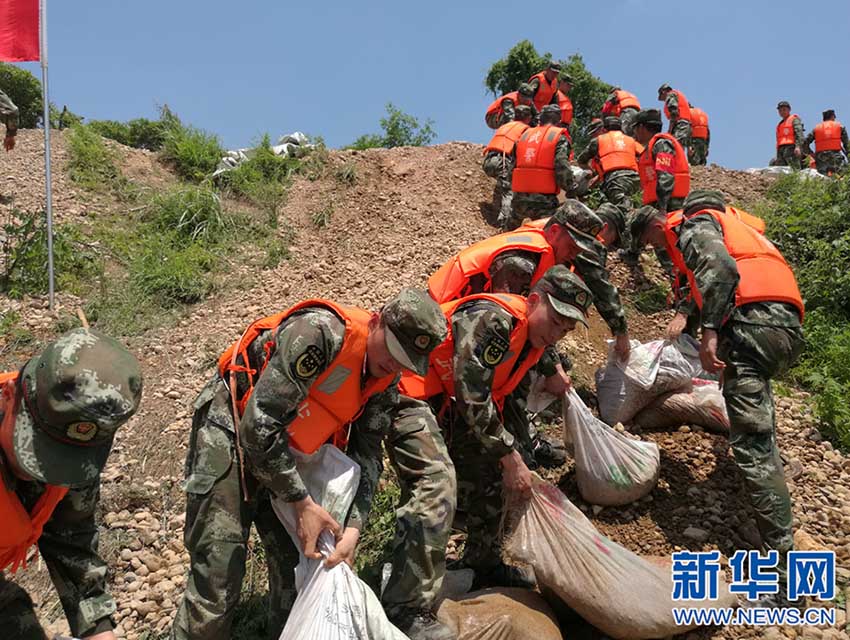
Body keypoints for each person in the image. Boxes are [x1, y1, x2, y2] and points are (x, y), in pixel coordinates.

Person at [172, 289, 447, 640]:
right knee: (217, 578)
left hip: (286, 451)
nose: (394, 365)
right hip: (230, 431)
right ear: (376, 321)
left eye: (406, 361)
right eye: (393, 351)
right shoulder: (319, 335)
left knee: (300, 573)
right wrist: (302, 503)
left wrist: (354, 527)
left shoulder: (384, 380)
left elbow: (368, 452)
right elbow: (257, 428)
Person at [383, 266, 593, 639]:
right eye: (557, 319)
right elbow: (472, 393)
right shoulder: (494, 321)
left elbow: (506, 398)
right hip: (408, 393)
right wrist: (510, 455)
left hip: (448, 404)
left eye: (567, 328)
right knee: (437, 484)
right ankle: (406, 607)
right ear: (533, 301)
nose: (559, 331)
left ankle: (483, 562)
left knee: (494, 472)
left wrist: (517, 456)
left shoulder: (536, 340)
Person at [629, 190, 805, 606]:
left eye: (654, 244)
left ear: (657, 226)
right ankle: (772, 489)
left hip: (749, 328)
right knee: (756, 423)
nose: (659, 252)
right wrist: (687, 313)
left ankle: (784, 578)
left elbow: (721, 271)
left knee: (753, 448)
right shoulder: (735, 224)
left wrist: (709, 332)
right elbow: (717, 273)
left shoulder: (691, 224)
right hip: (782, 326)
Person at [0, 328, 143, 640]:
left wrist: (98, 629)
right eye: (36, 451)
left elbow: (72, 541)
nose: (45, 474)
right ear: (10, 394)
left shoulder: (76, 458)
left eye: (63, 460)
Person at [507, 105, 574, 229]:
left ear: (540, 119)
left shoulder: (524, 136)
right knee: (547, 235)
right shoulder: (559, 137)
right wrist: (570, 187)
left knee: (508, 233)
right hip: (544, 200)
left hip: (519, 198)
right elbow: (561, 164)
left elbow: (512, 166)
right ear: (559, 120)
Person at [576, 115, 641, 216]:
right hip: (636, 179)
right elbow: (646, 156)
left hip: (615, 180)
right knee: (633, 205)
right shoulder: (631, 140)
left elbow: (581, 160)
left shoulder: (598, 140)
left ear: (604, 129)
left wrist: (592, 173)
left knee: (623, 212)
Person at [482, 105, 533, 228]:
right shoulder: (526, 130)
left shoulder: (505, 126)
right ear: (528, 118)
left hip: (488, 160)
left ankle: (499, 208)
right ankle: (503, 223)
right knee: (509, 191)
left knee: (504, 183)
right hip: (502, 160)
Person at [803, 109, 848, 176]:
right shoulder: (840, 126)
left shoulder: (816, 128)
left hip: (820, 158)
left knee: (823, 178)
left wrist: (811, 154)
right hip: (835, 157)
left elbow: (805, 143)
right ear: (833, 116)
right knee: (840, 178)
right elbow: (847, 144)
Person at [657, 83, 692, 154]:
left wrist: (670, 130)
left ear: (663, 92)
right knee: (679, 149)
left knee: (674, 147)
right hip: (685, 124)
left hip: (680, 124)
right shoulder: (677, 95)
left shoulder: (671, 95)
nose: (663, 100)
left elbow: (674, 113)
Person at [774, 101, 805, 170]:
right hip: (781, 150)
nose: (782, 112)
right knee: (781, 171)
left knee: (794, 169)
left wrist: (798, 147)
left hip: (791, 148)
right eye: (780, 110)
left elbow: (799, 134)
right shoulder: (780, 124)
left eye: (784, 110)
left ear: (789, 110)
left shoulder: (794, 120)